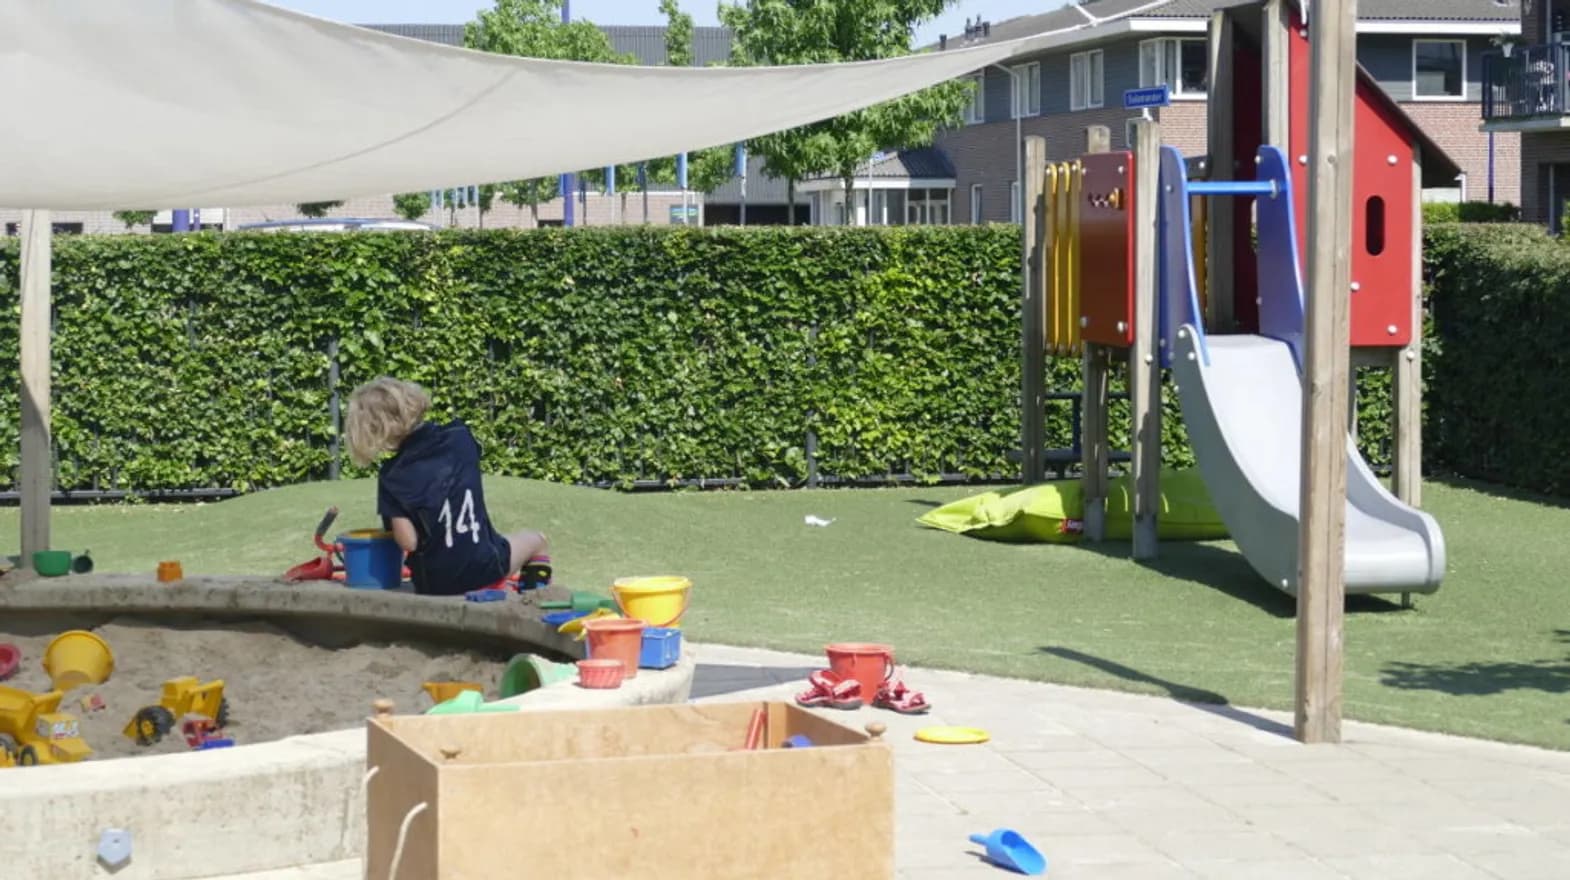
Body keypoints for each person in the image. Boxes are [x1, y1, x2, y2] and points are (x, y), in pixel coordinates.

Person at [344, 376, 549, 596]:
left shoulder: (391, 475)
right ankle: (531, 602)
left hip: (433, 583)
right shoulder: (461, 437)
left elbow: (409, 542)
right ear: (412, 401)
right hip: (485, 567)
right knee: (537, 541)